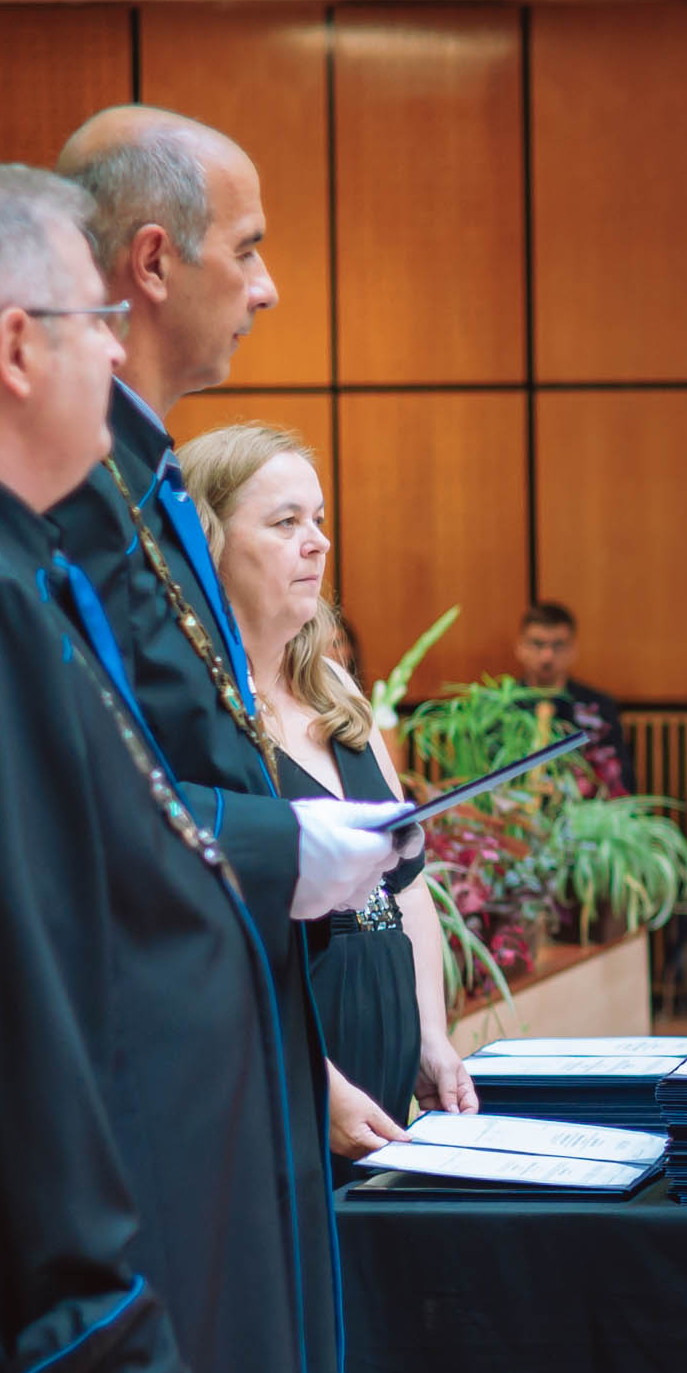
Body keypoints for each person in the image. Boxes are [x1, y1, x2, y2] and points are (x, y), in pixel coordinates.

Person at [0, 161, 398, 1373]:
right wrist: (88, 1345)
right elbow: (6, 999)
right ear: (16, 348)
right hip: (28, 1335)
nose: (116, 356)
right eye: (94, 323)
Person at [45, 106, 395, 1373]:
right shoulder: (60, 495)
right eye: (246, 251)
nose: (266, 287)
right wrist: (282, 849)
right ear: (150, 261)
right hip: (163, 1067)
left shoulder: (137, 472)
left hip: (243, 1034)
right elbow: (89, 803)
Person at [182, 422, 479, 1180]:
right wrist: (311, 1080)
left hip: (384, 1030)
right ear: (207, 542)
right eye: (286, 523)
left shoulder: (335, 688)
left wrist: (430, 1033)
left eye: (318, 519)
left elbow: (406, 883)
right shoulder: (192, 715)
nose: (318, 542)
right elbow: (197, 941)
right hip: (283, 1053)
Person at [515, 597, 635, 794]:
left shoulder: (598, 707)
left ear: (572, 650)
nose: (547, 656)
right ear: (520, 648)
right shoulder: (499, 709)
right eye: (537, 644)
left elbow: (621, 780)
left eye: (558, 645)